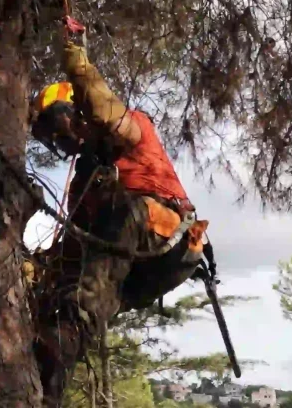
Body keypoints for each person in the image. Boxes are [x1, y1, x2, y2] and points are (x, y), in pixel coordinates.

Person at [30, 42, 210, 406]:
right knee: (67, 304)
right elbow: (76, 247)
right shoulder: (85, 183)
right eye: (51, 136)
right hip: (134, 273)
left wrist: (80, 72)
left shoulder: (130, 130)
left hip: (167, 235)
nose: (60, 139)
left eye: (58, 125)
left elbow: (106, 113)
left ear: (76, 111)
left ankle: (61, 337)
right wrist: (37, 267)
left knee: (117, 223)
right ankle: (46, 385)